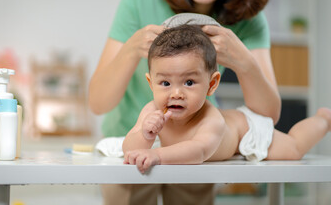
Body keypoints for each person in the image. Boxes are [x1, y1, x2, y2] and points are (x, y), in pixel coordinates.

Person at [88, 0, 280, 204]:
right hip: (131, 147)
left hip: (195, 141)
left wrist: (245, 62)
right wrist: (131, 49)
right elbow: (97, 103)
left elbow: (268, 116)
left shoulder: (248, 15)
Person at [123, 24, 331, 174]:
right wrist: (145, 135)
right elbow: (129, 149)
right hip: (232, 136)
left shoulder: (211, 118)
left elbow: (199, 151)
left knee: (292, 149)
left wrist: (158, 156)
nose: (176, 93)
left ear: (211, 84)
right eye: (165, 83)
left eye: (188, 83)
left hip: (244, 130)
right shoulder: (151, 111)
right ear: (151, 83)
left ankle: (323, 120)